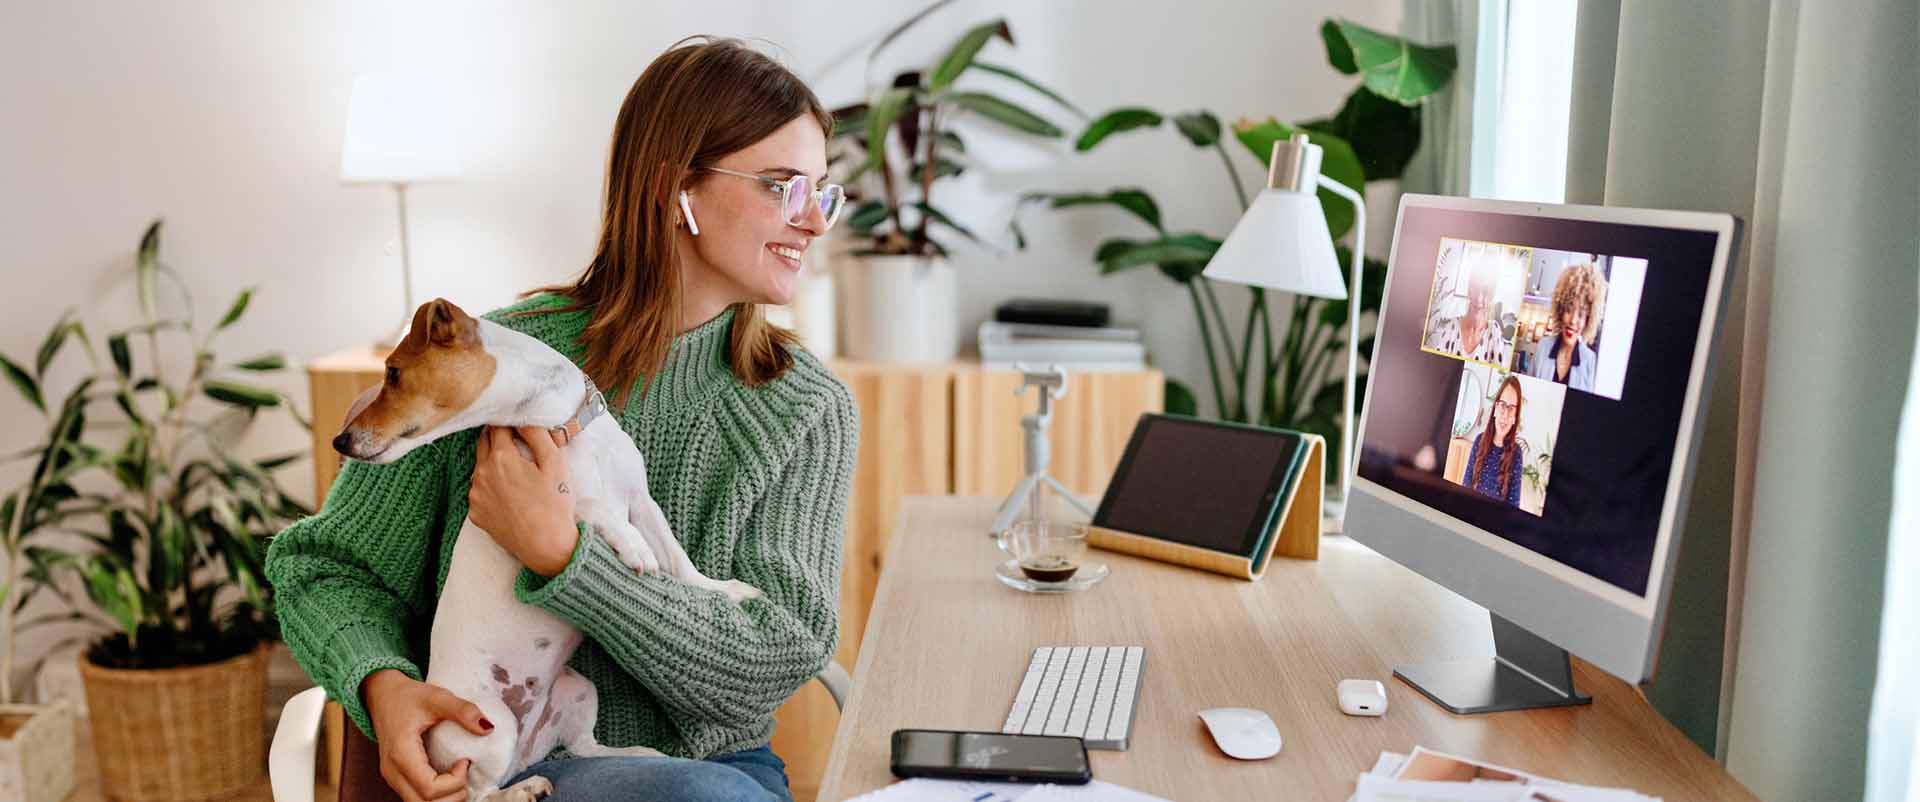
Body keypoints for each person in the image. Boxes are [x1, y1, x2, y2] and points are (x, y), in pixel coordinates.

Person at [266, 37, 859, 802]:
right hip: (500, 760)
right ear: (673, 187)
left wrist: (566, 561)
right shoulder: (492, 369)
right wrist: (382, 684)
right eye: (783, 187)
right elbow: (323, 568)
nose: (813, 222)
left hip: (703, 777)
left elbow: (773, 663)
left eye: (822, 192)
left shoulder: (804, 406)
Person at [1424, 254, 1512, 367]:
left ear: (1492, 295)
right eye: (1476, 288)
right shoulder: (1450, 328)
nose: (1479, 298)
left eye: (1485, 291)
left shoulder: (1494, 333)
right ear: (1469, 289)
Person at [1530, 263, 1604, 391]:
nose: (1573, 321)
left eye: (1581, 314)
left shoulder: (1589, 361)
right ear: (1561, 309)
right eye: (1569, 309)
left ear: (1588, 319)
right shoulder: (1542, 347)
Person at [1464, 376, 1527, 508]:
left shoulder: (1516, 454)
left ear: (1515, 416)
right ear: (1495, 408)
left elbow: (1513, 505)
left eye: (1511, 408)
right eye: (1503, 405)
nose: (1505, 415)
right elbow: (1465, 487)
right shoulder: (1479, 441)